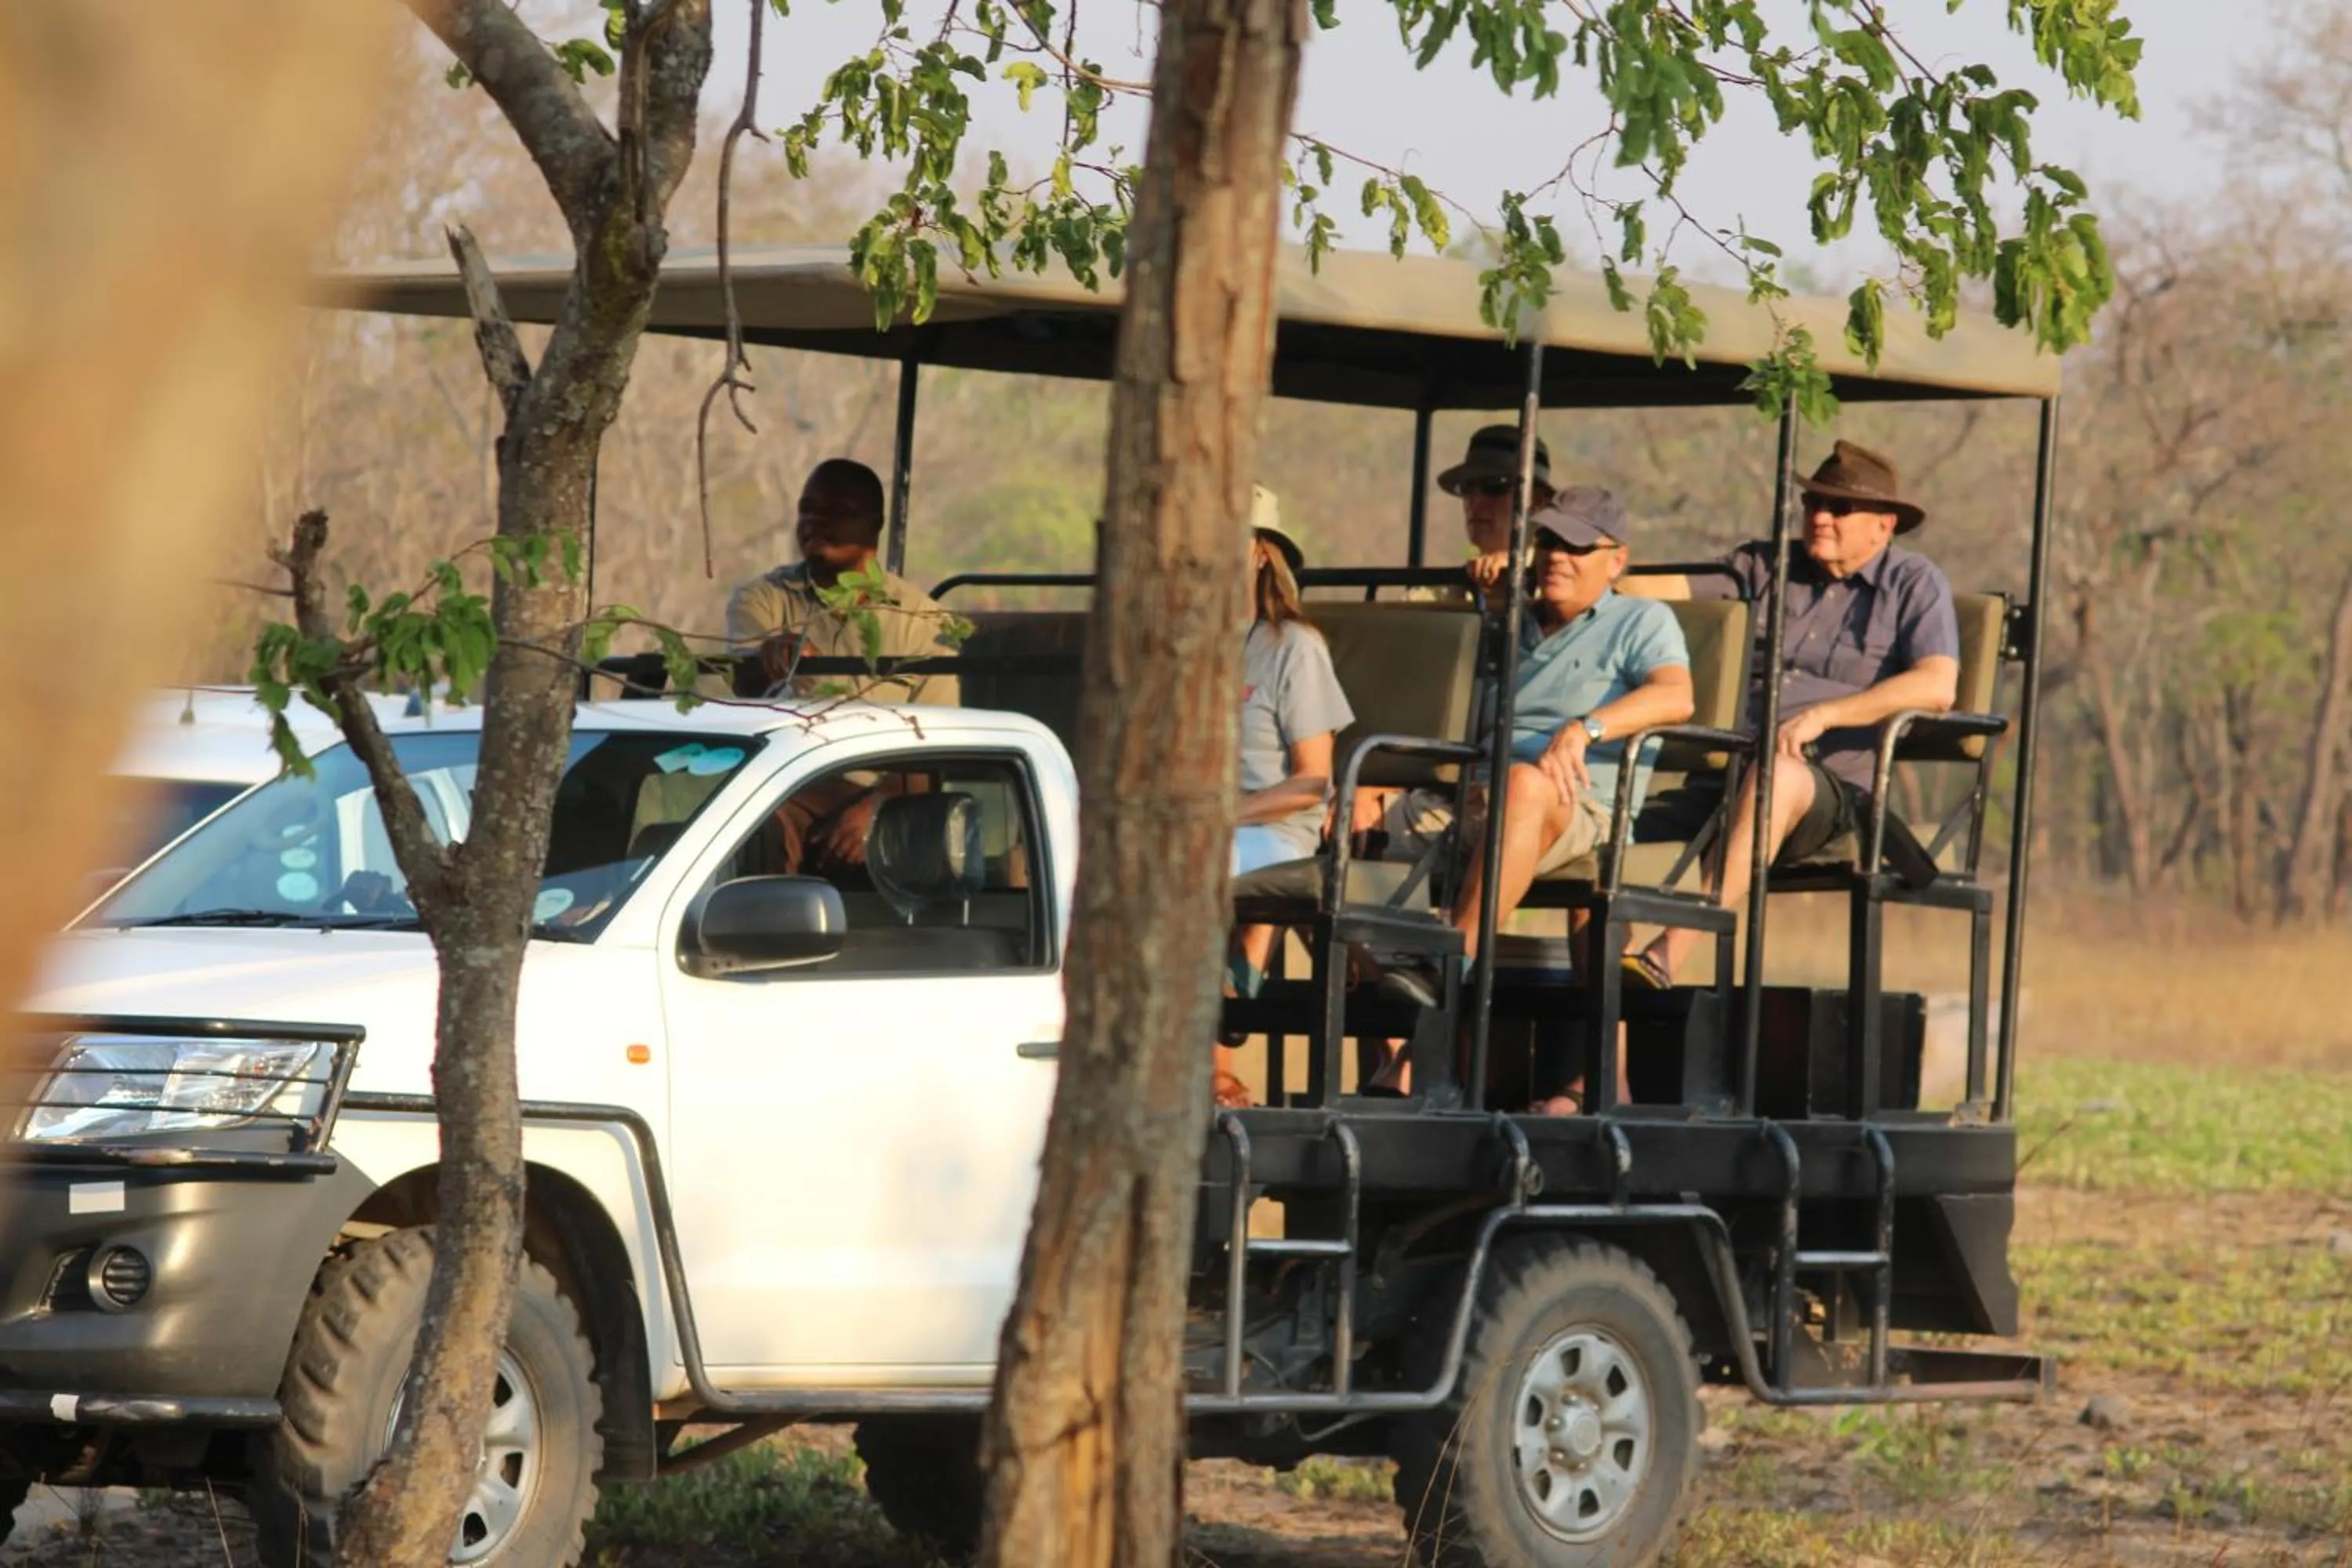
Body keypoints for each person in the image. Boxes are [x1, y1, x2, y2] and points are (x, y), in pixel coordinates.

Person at [1367, 487, 1693, 1111]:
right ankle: (1385, 1048)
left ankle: (1446, 977)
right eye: (1547, 541)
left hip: (1577, 805)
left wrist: (1586, 728)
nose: (1556, 558)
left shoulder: (1640, 621)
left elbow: (1677, 697)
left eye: (1575, 546)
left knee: (1523, 785)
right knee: (1341, 816)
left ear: (1616, 560)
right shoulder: (1510, 623)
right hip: (1472, 794)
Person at [1621, 440, 1960, 989]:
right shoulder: (1763, 565)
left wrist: (1828, 715)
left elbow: (1938, 685)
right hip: (1721, 775)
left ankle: (1669, 950)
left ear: (1885, 525)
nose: (1820, 517)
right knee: (1595, 822)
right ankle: (1609, 1055)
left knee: (1778, 776)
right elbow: (1662, 590)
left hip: (1828, 795)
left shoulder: (1914, 584)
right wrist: (1596, 570)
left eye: (1840, 508)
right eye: (1812, 503)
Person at [1221, 486, 1355, 1109]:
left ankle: (1214, 1061)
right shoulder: (1179, 646)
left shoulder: (1293, 646)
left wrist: (1222, 815)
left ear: (1259, 553)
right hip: (1195, 824)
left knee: (1190, 866)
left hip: (1270, 827)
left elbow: (1312, 781)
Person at [726, 457, 962, 706]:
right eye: (806, 510)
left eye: (837, 512)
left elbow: (937, 727)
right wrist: (767, 657)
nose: (814, 521)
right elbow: (742, 683)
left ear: (875, 525)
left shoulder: (925, 623)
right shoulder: (761, 599)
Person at [1419, 423, 1556, 604]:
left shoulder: (1558, 588)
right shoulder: (1435, 598)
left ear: (1536, 500)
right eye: (1467, 487)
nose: (1475, 502)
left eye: (1495, 485)